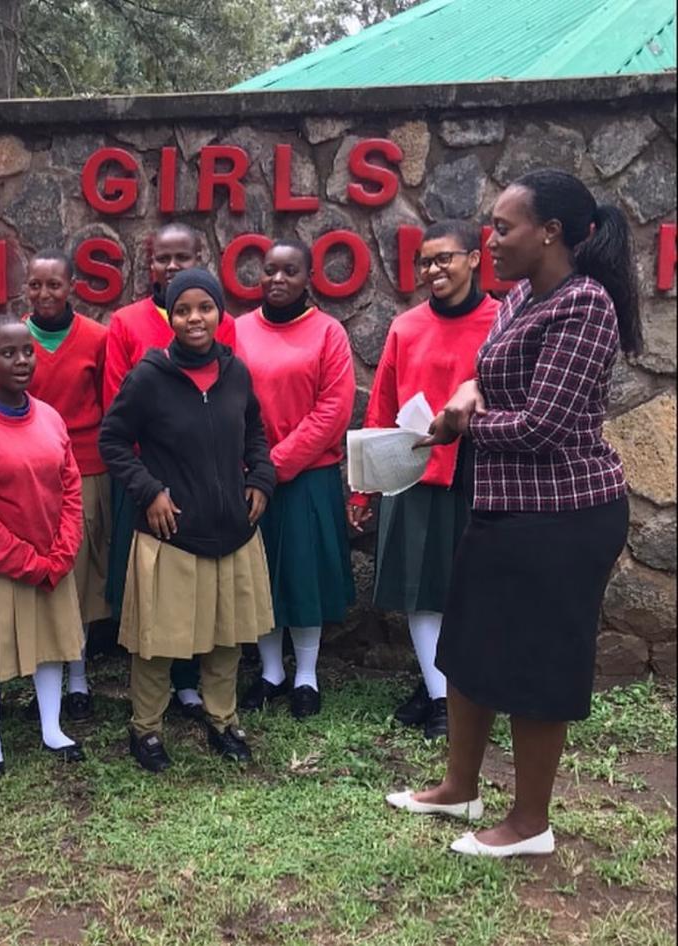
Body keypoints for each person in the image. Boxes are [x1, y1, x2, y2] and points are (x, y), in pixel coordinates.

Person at [387, 169, 639, 858]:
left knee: (536, 666)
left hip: (564, 516)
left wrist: (462, 426)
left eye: (503, 227)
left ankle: (530, 823)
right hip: (502, 509)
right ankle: (459, 787)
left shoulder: (586, 307)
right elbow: (485, 370)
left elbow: (544, 428)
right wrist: (467, 391)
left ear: (550, 233)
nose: (489, 240)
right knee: (467, 646)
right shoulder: (522, 294)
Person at [100, 269, 275, 773]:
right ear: (170, 318)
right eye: (183, 310)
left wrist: (261, 477)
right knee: (158, 642)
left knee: (227, 636)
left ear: (220, 314)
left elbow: (255, 432)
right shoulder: (148, 377)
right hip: (172, 534)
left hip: (233, 533)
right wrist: (149, 490)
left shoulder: (235, 372)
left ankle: (222, 720)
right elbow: (111, 440)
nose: (194, 318)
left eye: (205, 308)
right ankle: (146, 729)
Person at [348, 222, 499, 739]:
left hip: (480, 476)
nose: (435, 270)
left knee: (469, 592)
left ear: (475, 259)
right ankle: (440, 698)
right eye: (426, 262)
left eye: (446, 259)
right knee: (420, 591)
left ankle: (449, 689)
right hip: (413, 474)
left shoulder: (502, 321)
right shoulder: (406, 327)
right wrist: (365, 486)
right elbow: (383, 405)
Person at [103, 223, 236, 719]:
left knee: (209, 599)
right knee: (159, 602)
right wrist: (149, 483)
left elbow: (236, 413)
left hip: (210, 490)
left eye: (184, 256)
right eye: (164, 258)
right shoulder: (126, 324)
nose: (173, 265)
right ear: (150, 262)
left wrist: (252, 475)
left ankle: (198, 693)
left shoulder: (226, 334)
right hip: (152, 484)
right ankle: (151, 714)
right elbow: (114, 413)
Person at [0, 314, 86, 775]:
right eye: (8, 354)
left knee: (52, 643)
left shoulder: (49, 416)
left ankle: (52, 727)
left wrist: (63, 550)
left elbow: (70, 484)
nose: (23, 361)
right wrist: (26, 560)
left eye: (27, 351)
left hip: (51, 556)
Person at [235, 240, 355, 720]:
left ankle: (305, 674)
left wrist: (277, 465)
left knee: (303, 577)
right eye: (270, 270)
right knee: (260, 578)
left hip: (306, 475)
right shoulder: (239, 331)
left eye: (290, 271)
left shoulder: (328, 333)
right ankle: (270, 672)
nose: (278, 279)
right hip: (246, 475)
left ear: (308, 278)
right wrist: (254, 467)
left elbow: (333, 410)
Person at [24, 249, 110, 720]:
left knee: (82, 572)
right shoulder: (16, 339)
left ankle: (78, 675)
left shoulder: (96, 338)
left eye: (54, 284)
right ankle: (47, 673)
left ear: (71, 286)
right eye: (36, 285)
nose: (44, 294)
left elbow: (107, 402)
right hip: (34, 474)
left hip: (88, 467)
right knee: (48, 572)